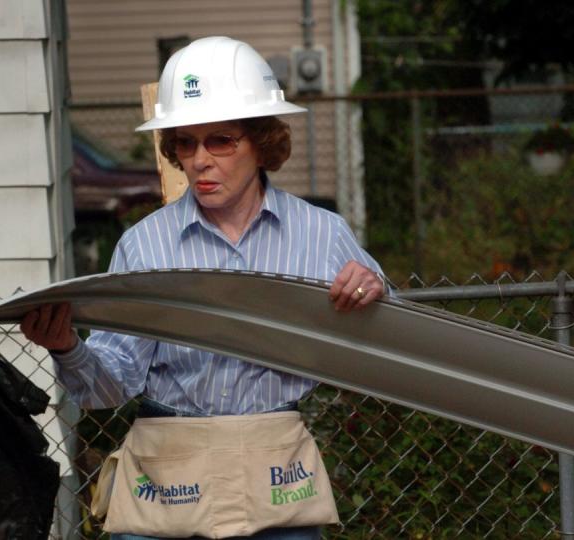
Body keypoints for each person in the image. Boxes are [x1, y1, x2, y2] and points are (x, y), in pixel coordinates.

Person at [23, 36, 386, 540]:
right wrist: (66, 347)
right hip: (168, 483)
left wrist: (373, 288)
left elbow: (389, 337)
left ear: (261, 141)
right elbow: (109, 390)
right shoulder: (144, 245)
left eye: (220, 140)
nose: (199, 160)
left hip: (275, 477)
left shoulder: (321, 234)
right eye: (186, 143)